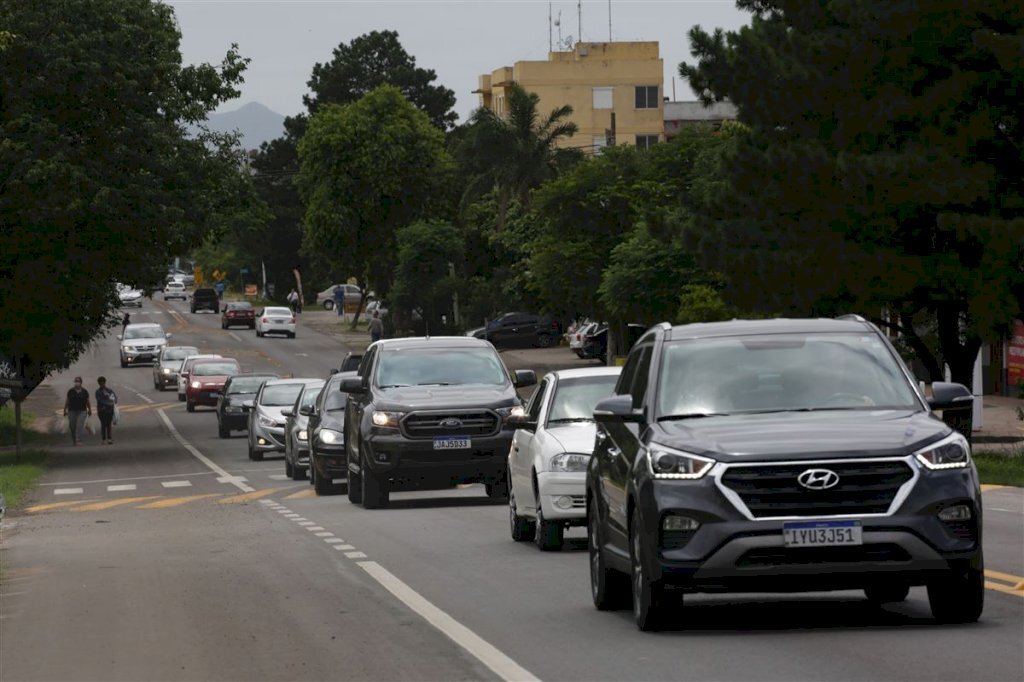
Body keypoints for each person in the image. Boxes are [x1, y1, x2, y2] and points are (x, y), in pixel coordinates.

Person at [63, 377, 91, 445]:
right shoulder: (71, 391)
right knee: (72, 426)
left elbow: (87, 401)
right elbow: (68, 401)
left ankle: (78, 440)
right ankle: (74, 440)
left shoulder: (84, 391)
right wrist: (65, 409)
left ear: (81, 383)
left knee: (79, 425)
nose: (77, 383)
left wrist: (89, 409)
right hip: (72, 411)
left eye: (78, 381)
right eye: (76, 381)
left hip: (82, 411)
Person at [95, 376, 118, 445]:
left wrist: (113, 402)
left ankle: (109, 438)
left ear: (105, 383)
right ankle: (103, 439)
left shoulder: (109, 390)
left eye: (103, 383)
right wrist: (108, 403)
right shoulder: (98, 392)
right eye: (100, 383)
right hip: (101, 410)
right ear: (98, 383)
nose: (102, 384)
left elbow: (114, 398)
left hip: (109, 410)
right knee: (103, 424)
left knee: (108, 424)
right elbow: (99, 400)